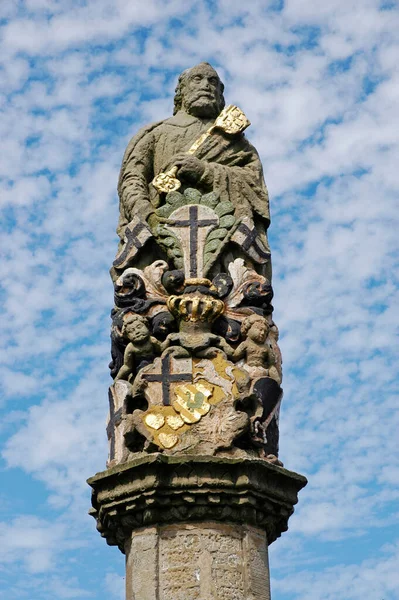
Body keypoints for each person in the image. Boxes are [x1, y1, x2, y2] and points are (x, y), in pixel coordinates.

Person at [117, 62, 271, 278]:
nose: (206, 85)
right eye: (197, 79)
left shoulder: (234, 142)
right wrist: (146, 213)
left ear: (220, 92)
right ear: (182, 90)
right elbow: (132, 180)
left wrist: (204, 172)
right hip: (161, 233)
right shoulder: (154, 134)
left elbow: (253, 184)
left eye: (213, 82)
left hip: (223, 243)